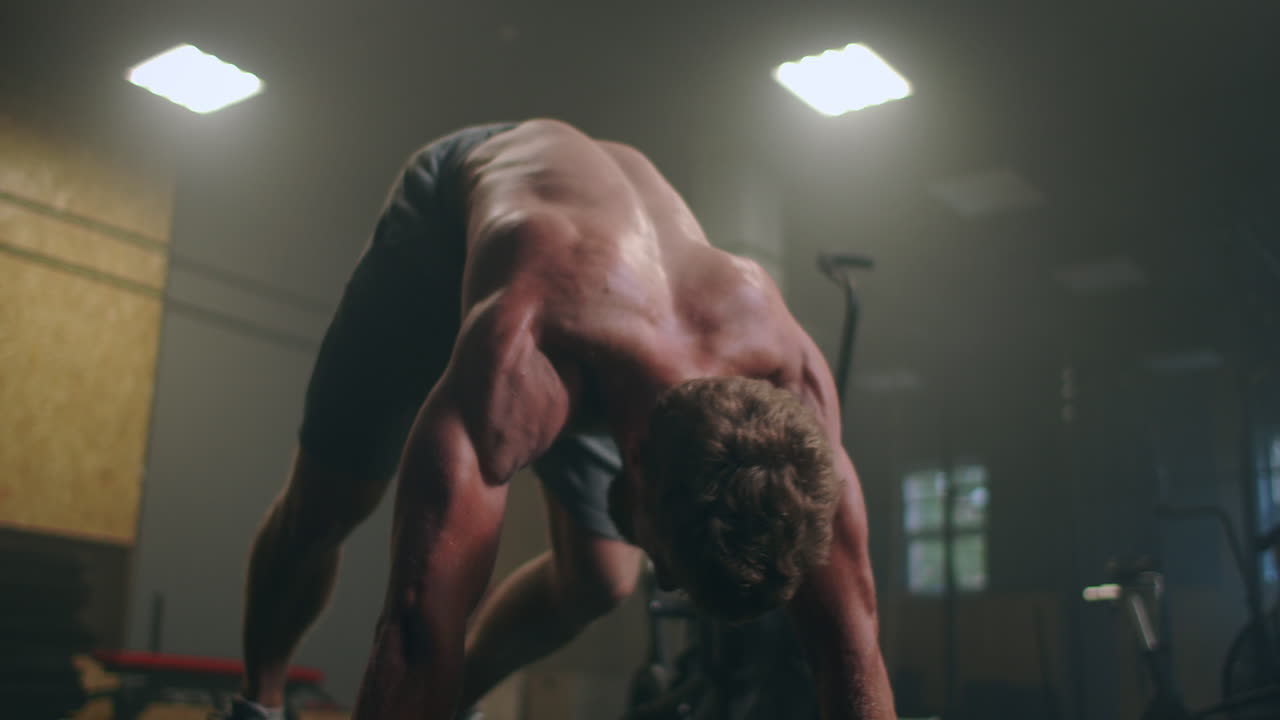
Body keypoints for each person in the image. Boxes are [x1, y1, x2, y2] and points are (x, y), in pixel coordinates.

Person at [228, 119, 895, 720]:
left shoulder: (795, 401)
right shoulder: (528, 354)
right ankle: (261, 695)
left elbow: (853, 653)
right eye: (669, 558)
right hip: (446, 241)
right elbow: (415, 627)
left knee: (602, 578)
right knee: (328, 508)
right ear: (637, 460)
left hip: (606, 296)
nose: (662, 578)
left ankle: (460, 703)